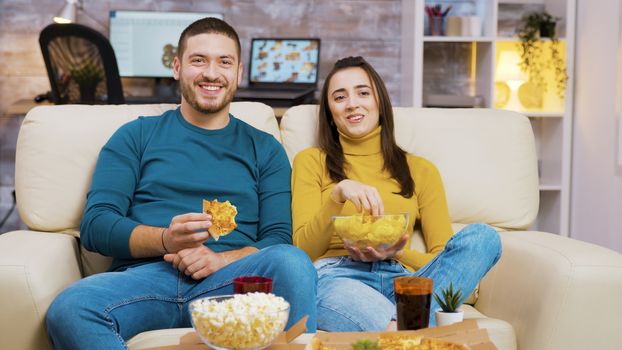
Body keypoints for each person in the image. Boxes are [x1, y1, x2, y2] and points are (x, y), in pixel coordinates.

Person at [45, 17, 317, 349]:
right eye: (198, 60)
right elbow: (96, 224)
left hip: (233, 284)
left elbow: (277, 238)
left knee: (292, 262)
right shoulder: (136, 135)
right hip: (146, 281)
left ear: (238, 72)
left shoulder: (265, 148)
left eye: (224, 62)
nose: (212, 73)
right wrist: (165, 240)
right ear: (177, 67)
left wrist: (221, 260)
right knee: (70, 308)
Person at [291, 56, 501, 332]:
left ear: (380, 101)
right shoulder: (311, 161)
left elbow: (442, 255)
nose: (352, 103)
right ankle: (408, 329)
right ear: (330, 112)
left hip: (403, 279)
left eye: (363, 93)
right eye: (339, 97)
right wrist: (337, 196)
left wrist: (397, 253)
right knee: (315, 290)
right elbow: (301, 253)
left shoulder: (421, 170)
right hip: (337, 276)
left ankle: (396, 328)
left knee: (484, 238)